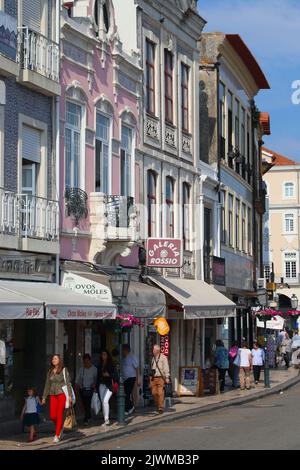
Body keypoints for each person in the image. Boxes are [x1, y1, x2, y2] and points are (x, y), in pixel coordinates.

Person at [42, 354, 72, 443]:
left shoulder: (64, 370)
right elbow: (47, 385)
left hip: (61, 394)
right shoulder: (50, 371)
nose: (53, 360)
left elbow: (68, 383)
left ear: (59, 360)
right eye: (53, 359)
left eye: (55, 358)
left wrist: (69, 395)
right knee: (52, 416)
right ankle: (60, 427)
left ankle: (57, 435)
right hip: (52, 395)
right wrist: (44, 397)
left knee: (59, 414)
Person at [96, 350, 117, 427]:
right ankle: (105, 419)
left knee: (105, 401)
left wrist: (109, 375)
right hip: (102, 384)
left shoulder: (111, 364)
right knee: (103, 402)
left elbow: (115, 375)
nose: (103, 356)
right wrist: (96, 386)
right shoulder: (100, 365)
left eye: (105, 354)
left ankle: (107, 419)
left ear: (107, 355)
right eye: (102, 354)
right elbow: (98, 376)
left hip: (109, 385)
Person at [76, 353, 97, 425]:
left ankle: (86, 419)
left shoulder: (94, 369)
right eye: (85, 361)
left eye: (87, 361)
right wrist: (78, 385)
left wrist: (94, 385)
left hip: (90, 389)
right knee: (85, 404)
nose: (86, 363)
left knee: (88, 403)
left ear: (90, 360)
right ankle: (88, 416)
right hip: (83, 389)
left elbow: (96, 379)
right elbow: (78, 379)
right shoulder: (81, 369)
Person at [150, 344, 170, 414]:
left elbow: (166, 367)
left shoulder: (163, 357)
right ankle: (158, 405)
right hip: (153, 378)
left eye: (153, 350)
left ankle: (160, 407)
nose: (152, 351)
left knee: (160, 393)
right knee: (154, 393)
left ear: (157, 351)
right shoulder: (153, 358)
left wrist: (167, 377)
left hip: (160, 377)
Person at [121, 344, 141, 416]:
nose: (122, 351)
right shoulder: (122, 358)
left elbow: (137, 368)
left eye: (123, 350)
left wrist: (138, 379)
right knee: (126, 394)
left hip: (131, 378)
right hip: (124, 379)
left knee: (127, 393)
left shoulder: (132, 357)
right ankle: (130, 407)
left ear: (126, 350)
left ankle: (129, 408)